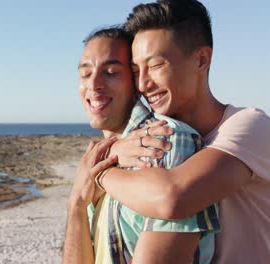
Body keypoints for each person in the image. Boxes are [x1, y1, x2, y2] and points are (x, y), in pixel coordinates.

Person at [91, 1, 270, 263]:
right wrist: (115, 149)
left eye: (155, 66)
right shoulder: (158, 138)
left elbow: (173, 197)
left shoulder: (250, 126)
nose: (143, 84)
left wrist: (100, 173)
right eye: (136, 70)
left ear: (201, 60)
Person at [63, 26, 220, 264]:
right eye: (85, 74)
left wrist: (99, 174)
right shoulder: (95, 161)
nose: (94, 84)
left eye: (111, 72)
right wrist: (75, 205)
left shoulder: (165, 141)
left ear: (136, 80)